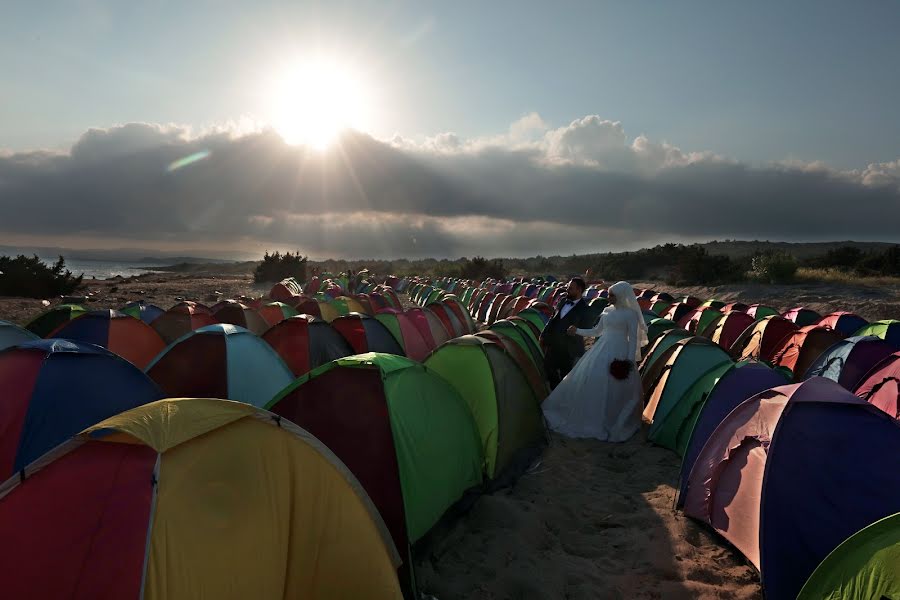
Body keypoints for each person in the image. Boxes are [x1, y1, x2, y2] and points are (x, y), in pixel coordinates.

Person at [541, 281, 649, 442]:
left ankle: (614, 418)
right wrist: (577, 331)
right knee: (594, 381)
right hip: (602, 349)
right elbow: (597, 331)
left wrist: (629, 361)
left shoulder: (630, 314)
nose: (609, 297)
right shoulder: (606, 311)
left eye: (612, 295)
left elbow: (633, 339)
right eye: (609, 294)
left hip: (620, 350)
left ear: (621, 296)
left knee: (617, 386)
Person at [540, 277, 594, 389]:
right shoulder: (563, 301)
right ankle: (555, 392)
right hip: (553, 344)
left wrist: (576, 330)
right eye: (568, 287)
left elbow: (587, 328)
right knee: (549, 370)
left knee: (567, 376)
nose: (567, 290)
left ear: (579, 290)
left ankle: (563, 396)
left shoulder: (585, 308)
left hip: (569, 348)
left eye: (570, 288)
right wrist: (544, 334)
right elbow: (553, 319)